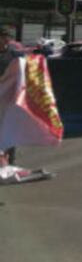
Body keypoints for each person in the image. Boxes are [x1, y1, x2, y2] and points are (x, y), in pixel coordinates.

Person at [0, 28, 22, 166]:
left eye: (8, 37)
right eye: (4, 37)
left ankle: (10, 162)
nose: (7, 40)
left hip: (9, 98)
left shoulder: (14, 55)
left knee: (10, 129)